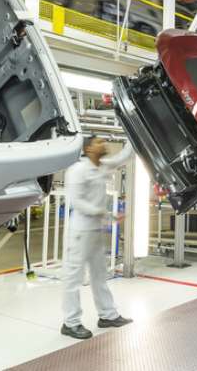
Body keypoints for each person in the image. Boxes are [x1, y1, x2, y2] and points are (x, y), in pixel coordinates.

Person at [61, 136, 134, 340]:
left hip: (95, 230)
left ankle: (107, 315)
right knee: (73, 278)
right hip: (80, 232)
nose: (103, 144)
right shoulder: (77, 170)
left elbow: (124, 156)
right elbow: (78, 202)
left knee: (99, 275)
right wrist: (106, 214)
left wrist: (134, 133)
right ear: (89, 148)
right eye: (99, 142)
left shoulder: (101, 165)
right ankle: (71, 323)